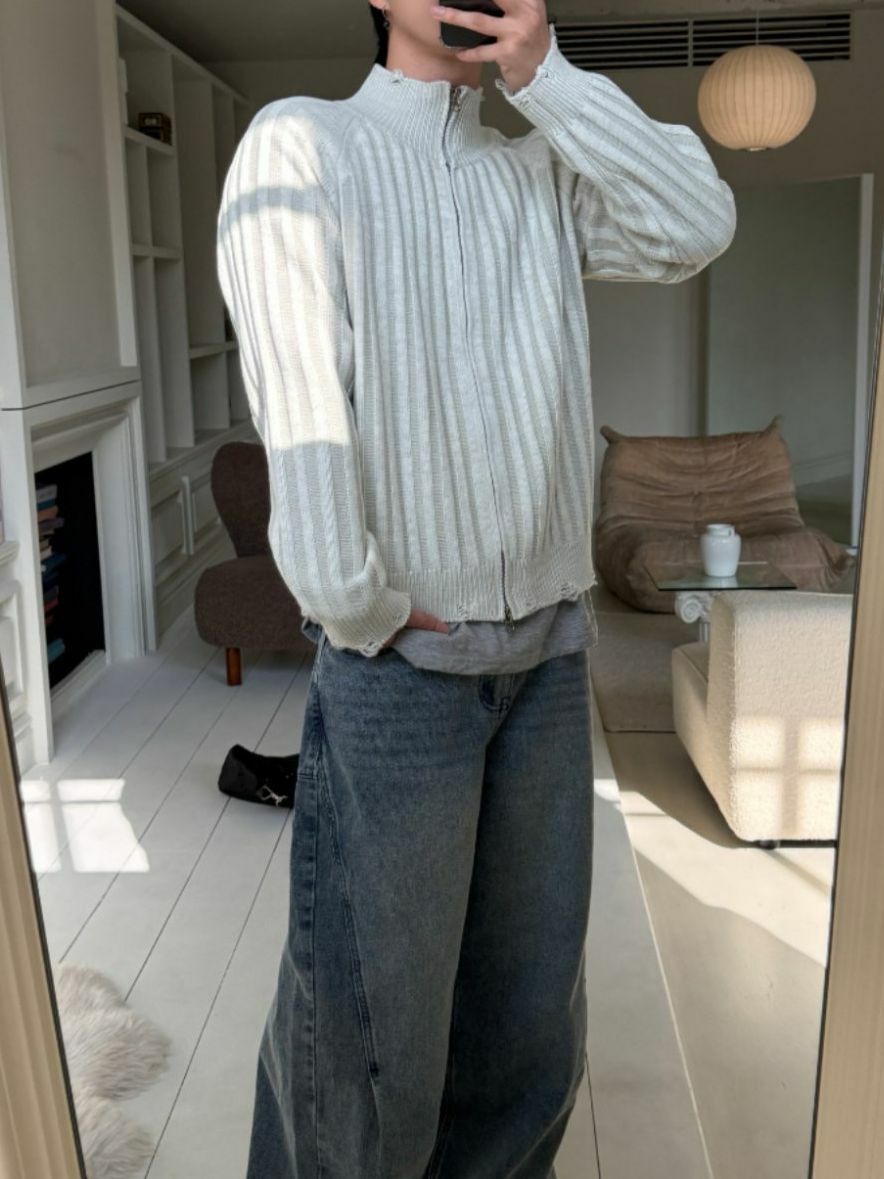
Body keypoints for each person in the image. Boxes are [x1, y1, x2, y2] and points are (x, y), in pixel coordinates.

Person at [215, 1, 736, 1175]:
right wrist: (358, 602)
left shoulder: (537, 168)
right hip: (401, 669)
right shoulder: (303, 143)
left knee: (525, 1034)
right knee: (366, 1045)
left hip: (548, 661)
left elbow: (695, 218)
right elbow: (301, 400)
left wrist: (547, 77)